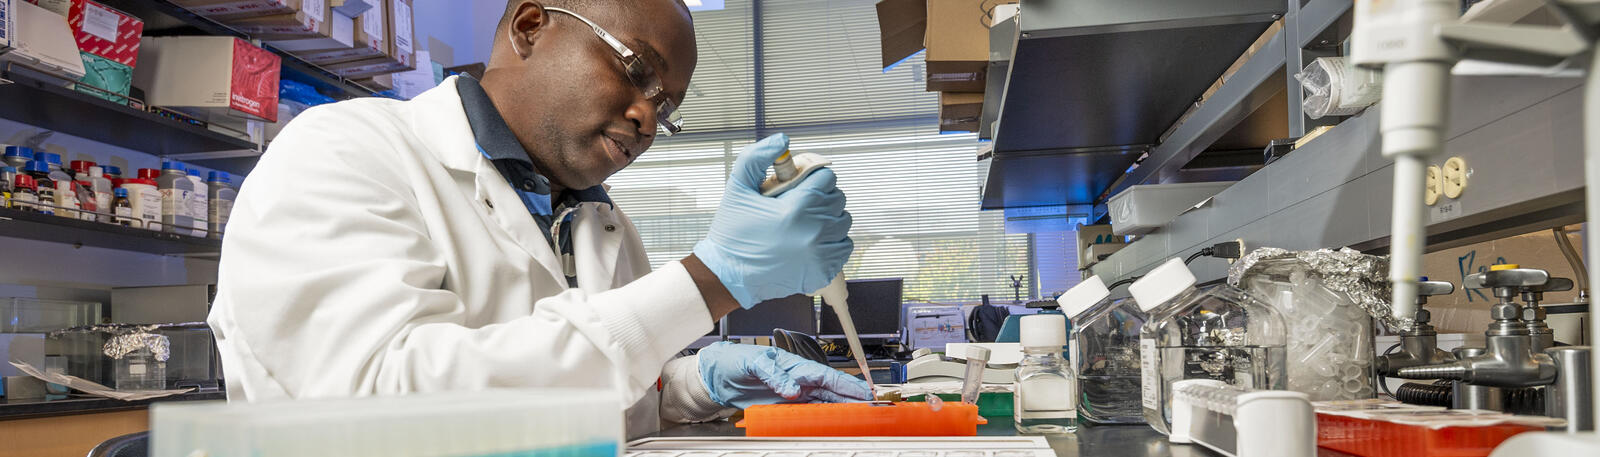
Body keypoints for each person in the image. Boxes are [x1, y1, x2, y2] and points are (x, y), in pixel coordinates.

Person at [206, 0, 867, 434]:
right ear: (529, 28)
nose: (647, 115)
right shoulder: (344, 150)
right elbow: (376, 407)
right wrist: (708, 280)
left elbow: (588, 397)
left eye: (666, 105)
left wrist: (691, 385)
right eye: (637, 69)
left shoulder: (603, 225)